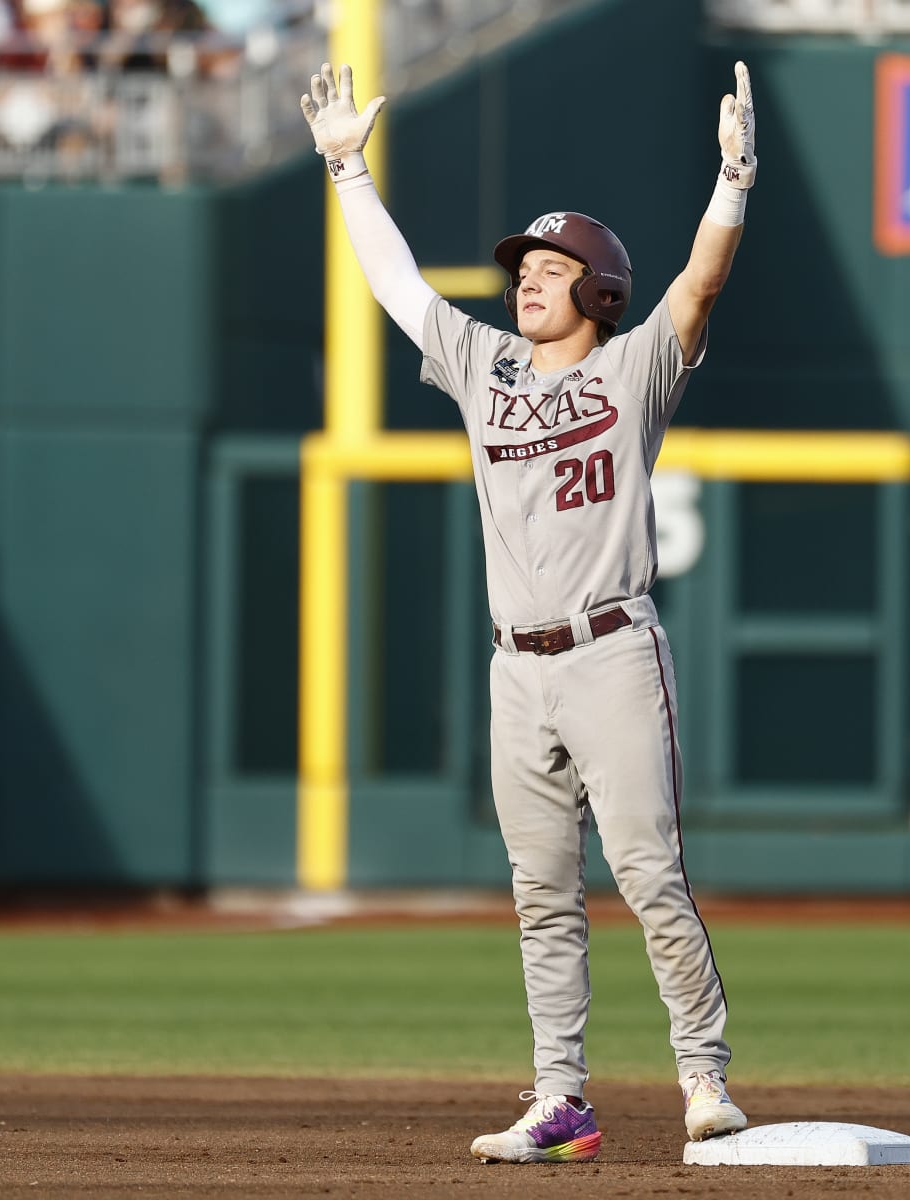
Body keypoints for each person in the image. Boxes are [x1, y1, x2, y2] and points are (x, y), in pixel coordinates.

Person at [298, 59, 757, 1163]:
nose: (527, 281)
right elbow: (401, 289)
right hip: (518, 666)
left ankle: (702, 1073)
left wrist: (732, 184)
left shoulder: (635, 370)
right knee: (541, 890)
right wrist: (348, 170)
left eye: (552, 268)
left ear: (600, 292)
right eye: (524, 268)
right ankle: (563, 1099)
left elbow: (695, 288)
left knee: (648, 873)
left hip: (611, 649)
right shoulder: (486, 367)